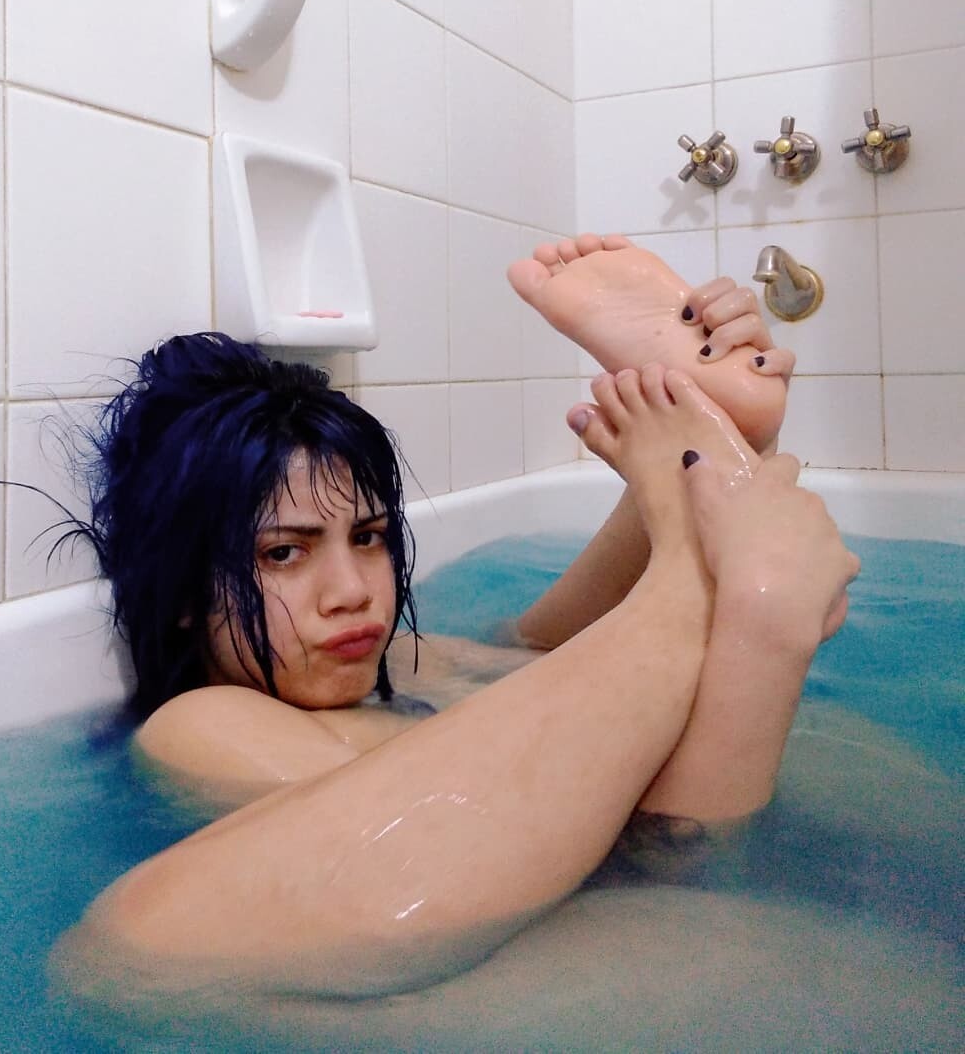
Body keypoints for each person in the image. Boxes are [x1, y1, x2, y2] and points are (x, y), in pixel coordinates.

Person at [52, 234, 859, 1006]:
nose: (351, 591)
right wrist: (709, 577)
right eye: (284, 554)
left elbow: (550, 650)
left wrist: (704, 461)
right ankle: (716, 563)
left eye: (368, 537)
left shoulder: (402, 660)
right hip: (623, 893)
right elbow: (521, 838)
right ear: (184, 593)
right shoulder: (205, 722)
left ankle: (713, 486)